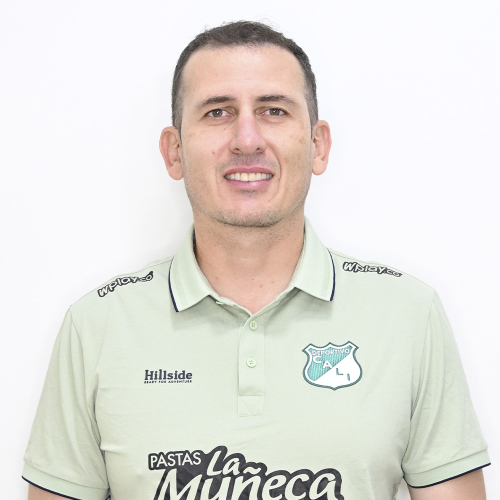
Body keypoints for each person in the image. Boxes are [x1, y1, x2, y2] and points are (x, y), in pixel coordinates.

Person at [23, 21, 489, 500]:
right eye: (218, 112)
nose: (247, 139)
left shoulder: (408, 315)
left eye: (273, 110)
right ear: (174, 152)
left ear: (318, 145)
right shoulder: (96, 328)